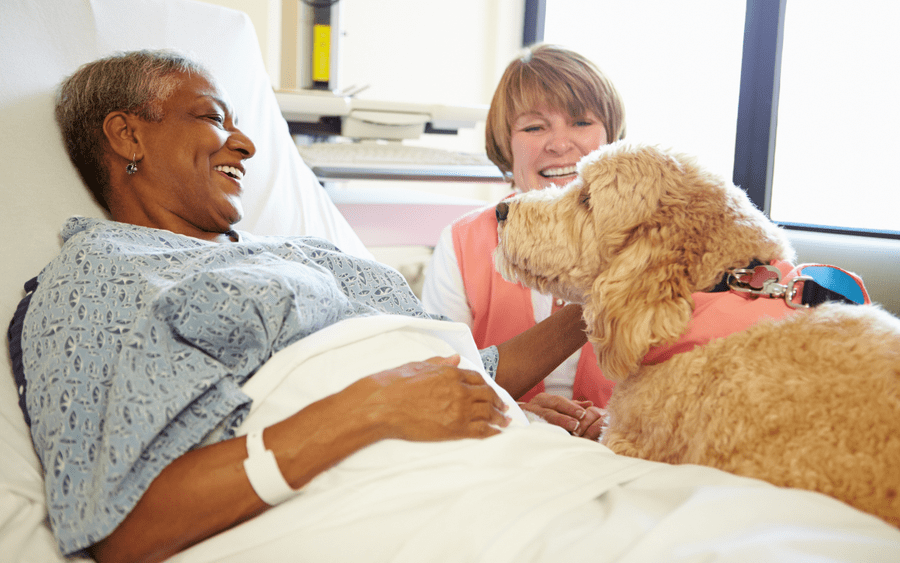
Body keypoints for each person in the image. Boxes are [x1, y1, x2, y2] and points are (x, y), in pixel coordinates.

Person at [15, 50, 600, 563]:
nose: (244, 144)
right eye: (213, 118)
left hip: (514, 466)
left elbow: (471, 373)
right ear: (126, 135)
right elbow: (118, 528)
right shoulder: (101, 270)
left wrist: (611, 295)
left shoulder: (307, 252)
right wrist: (371, 407)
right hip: (404, 500)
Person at [422, 44, 625, 435]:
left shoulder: (650, 238)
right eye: (535, 127)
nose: (560, 144)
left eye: (581, 122)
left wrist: (617, 422)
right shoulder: (463, 243)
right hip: (505, 442)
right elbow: (438, 381)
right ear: (505, 143)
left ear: (611, 135)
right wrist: (522, 413)